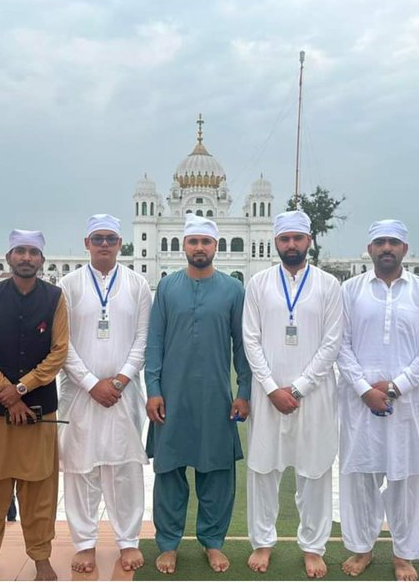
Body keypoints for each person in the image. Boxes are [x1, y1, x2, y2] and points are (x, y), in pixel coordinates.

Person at [144, 216, 251, 576]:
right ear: (184, 245)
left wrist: (244, 392)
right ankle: (168, 544)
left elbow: (243, 347)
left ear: (215, 247)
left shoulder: (233, 290)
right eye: (193, 242)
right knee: (169, 470)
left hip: (215, 397)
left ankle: (213, 542)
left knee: (217, 472)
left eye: (206, 242)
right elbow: (154, 343)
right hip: (172, 397)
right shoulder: (167, 287)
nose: (199, 248)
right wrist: (153, 390)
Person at [337, 220, 419, 582]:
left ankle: (404, 554)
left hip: (408, 406)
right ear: (369, 249)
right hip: (359, 403)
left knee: (408, 480)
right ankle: (362, 548)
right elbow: (340, 345)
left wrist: (395, 386)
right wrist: (366, 389)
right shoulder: (350, 291)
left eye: (393, 242)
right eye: (379, 242)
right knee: (360, 477)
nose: (386, 248)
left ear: (405, 250)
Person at [242, 210, 343, 580]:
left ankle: (313, 547)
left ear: (309, 241)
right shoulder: (259, 283)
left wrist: (299, 387)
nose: (291, 245)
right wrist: (271, 387)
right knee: (263, 469)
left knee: (314, 470)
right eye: (285, 239)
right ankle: (263, 542)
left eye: (298, 238)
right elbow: (250, 339)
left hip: (313, 395)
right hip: (267, 394)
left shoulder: (328, 285)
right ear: (275, 242)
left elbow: (333, 342)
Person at [0, 230, 68, 582]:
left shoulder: (55, 298)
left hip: (39, 410)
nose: (26, 258)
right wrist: (6, 392)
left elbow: (59, 352)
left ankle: (42, 560)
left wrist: (22, 388)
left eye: (33, 252)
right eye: (20, 251)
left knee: (39, 487)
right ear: (9, 257)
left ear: (42, 260)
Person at [59, 216, 150, 577]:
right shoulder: (68, 285)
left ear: (120, 244)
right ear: (86, 243)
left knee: (124, 467)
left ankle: (128, 540)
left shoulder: (137, 284)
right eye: (98, 238)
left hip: (123, 393)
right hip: (80, 393)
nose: (104, 244)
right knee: (80, 467)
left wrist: (121, 379)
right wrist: (90, 381)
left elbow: (143, 339)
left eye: (111, 238)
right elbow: (60, 342)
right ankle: (84, 542)